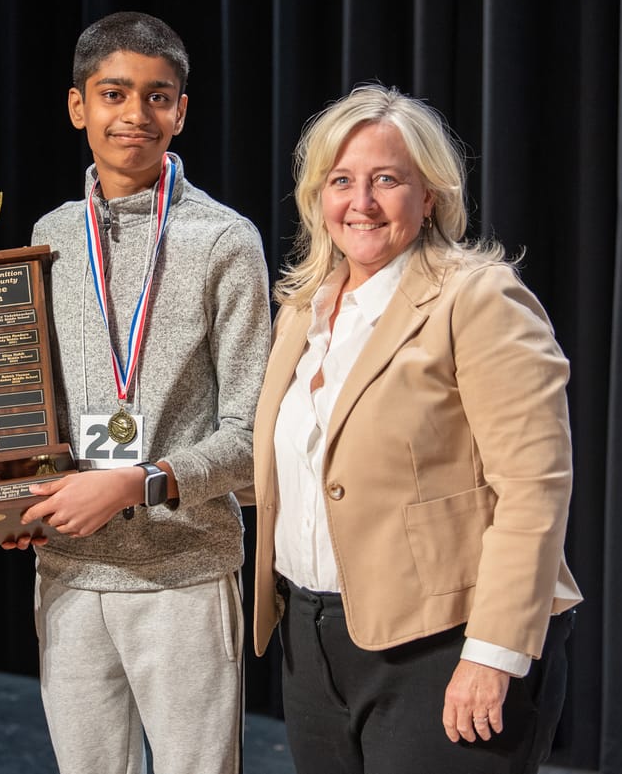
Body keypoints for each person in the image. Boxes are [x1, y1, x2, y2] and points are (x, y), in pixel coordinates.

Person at [250, 83, 583, 773]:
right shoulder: (301, 311)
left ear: (429, 195)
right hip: (313, 640)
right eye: (341, 180)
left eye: (386, 180)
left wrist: (492, 653)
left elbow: (534, 488)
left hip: (446, 644)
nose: (361, 202)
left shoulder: (479, 297)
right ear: (318, 196)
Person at [15, 11, 272, 774]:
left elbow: (253, 433)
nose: (135, 114)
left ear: (181, 111)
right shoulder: (50, 235)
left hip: (184, 571)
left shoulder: (225, 239)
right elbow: (32, 406)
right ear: (77, 106)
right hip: (68, 569)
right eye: (114, 93)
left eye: (157, 96)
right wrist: (10, 491)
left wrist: (139, 482)